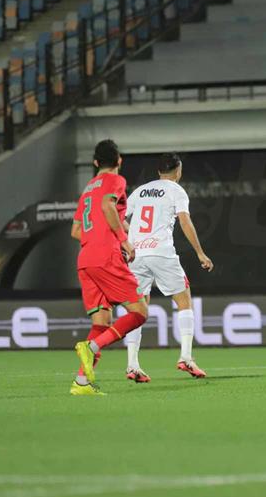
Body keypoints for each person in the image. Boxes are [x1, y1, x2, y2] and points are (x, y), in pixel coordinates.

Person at [123, 153, 214, 382]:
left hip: (136, 255)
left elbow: (116, 216)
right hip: (161, 252)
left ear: (158, 171)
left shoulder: (141, 190)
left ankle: (132, 364)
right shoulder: (176, 190)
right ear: (178, 171)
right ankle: (186, 357)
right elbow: (185, 221)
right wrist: (200, 252)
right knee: (184, 301)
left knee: (137, 309)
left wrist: (132, 236)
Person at [70, 139, 149, 396]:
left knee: (101, 323)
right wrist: (122, 240)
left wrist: (110, 233)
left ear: (95, 163)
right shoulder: (115, 180)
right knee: (139, 312)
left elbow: (76, 230)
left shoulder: (87, 189)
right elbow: (107, 205)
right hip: (106, 257)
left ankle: (81, 382)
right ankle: (91, 347)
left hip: (85, 260)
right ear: (119, 160)